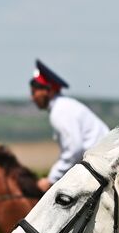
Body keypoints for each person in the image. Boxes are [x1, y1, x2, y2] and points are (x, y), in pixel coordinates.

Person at [29, 59, 111, 191]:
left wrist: (51, 179)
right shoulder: (64, 105)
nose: (31, 98)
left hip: (103, 167)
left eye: (34, 93)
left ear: (48, 90)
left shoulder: (59, 111)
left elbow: (73, 150)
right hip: (101, 164)